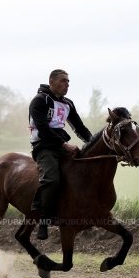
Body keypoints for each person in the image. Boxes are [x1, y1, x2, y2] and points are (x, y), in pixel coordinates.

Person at [28, 69, 92, 240]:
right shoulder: (40, 100)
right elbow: (43, 128)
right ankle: (43, 219)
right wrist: (65, 144)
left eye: (68, 81)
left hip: (62, 145)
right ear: (52, 82)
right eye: (63, 81)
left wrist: (93, 143)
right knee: (52, 179)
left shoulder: (68, 103)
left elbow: (79, 127)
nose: (67, 84)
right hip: (44, 146)